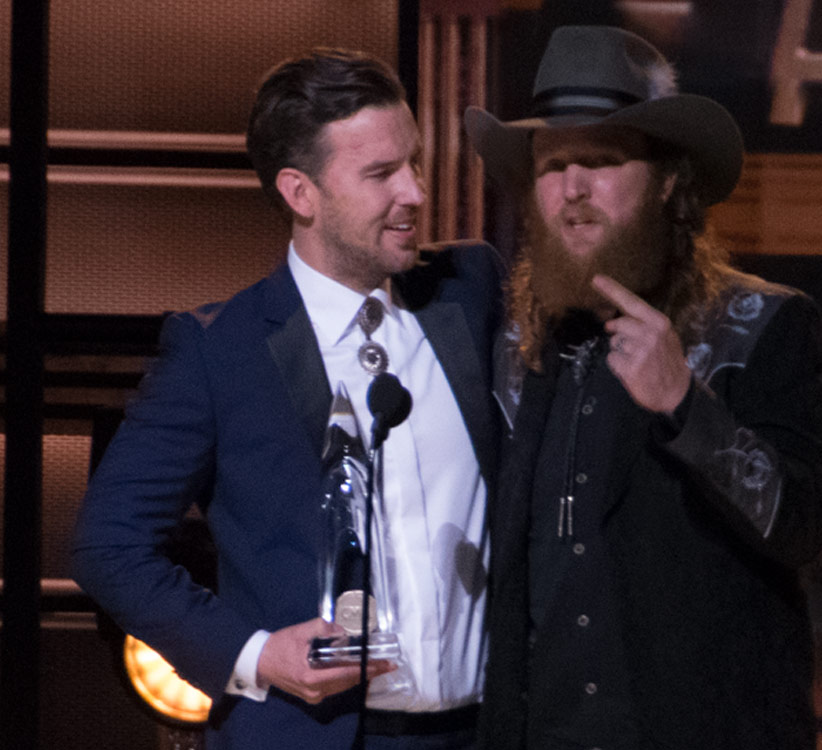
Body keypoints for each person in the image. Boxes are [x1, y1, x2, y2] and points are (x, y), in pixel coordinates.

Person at [72, 47, 502, 749]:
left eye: (413, 163)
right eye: (381, 174)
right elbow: (106, 546)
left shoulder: (471, 293)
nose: (416, 193)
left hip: (485, 731)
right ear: (301, 193)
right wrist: (256, 656)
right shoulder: (221, 351)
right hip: (312, 734)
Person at [464, 25, 822, 749]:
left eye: (601, 160)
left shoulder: (761, 325)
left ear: (668, 179)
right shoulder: (515, 346)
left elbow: (803, 528)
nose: (573, 189)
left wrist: (687, 407)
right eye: (552, 164)